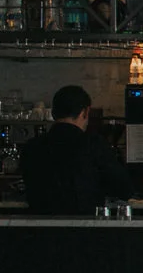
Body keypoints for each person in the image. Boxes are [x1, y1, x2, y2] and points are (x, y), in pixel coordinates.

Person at [19, 84, 133, 215]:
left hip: (39, 225)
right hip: (85, 224)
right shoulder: (94, 145)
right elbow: (123, 189)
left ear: (53, 113)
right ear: (85, 112)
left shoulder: (32, 147)